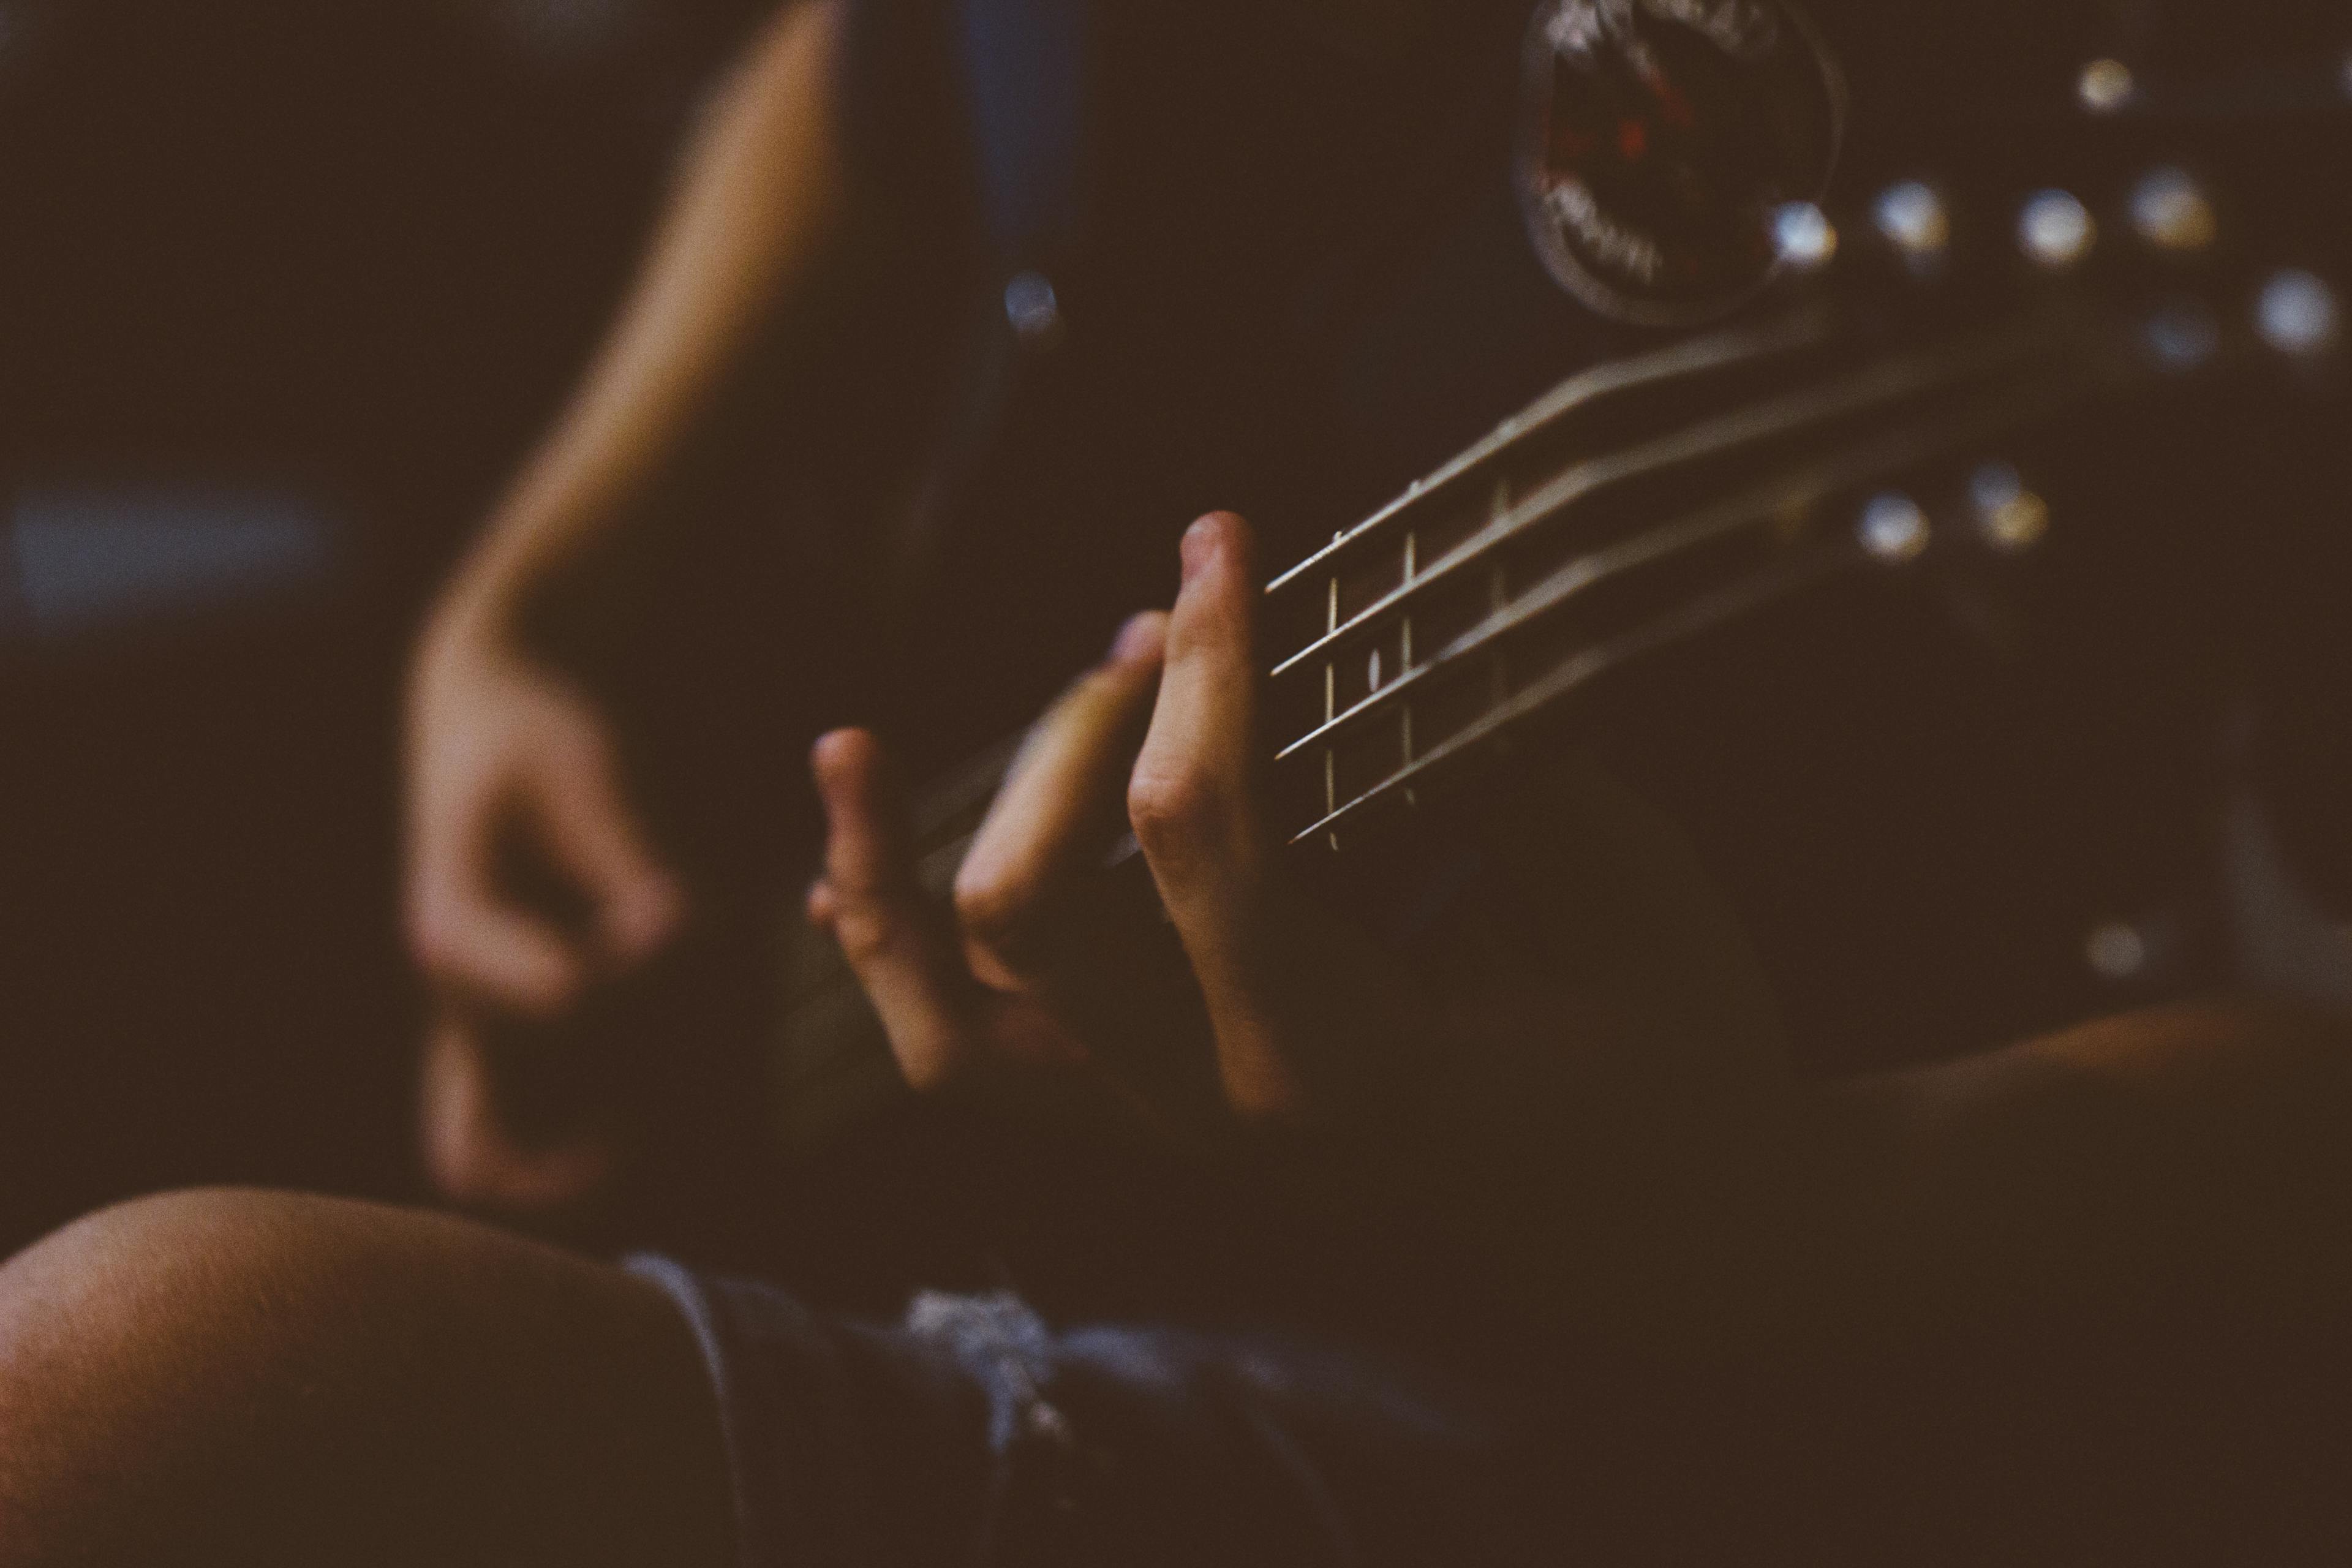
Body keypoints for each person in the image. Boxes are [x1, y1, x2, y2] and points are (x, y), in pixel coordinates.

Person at [9, 0, 2352, 1562]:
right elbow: (911, 58)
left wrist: (1816, 1206)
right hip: (910, 1041)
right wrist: (525, 609)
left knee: (135, 1394)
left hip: (1749, 1381)